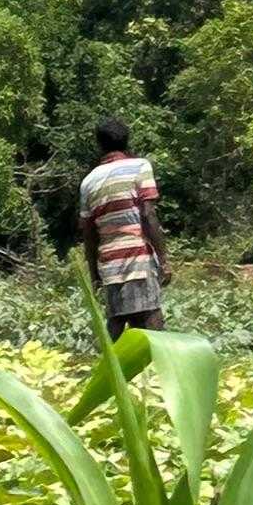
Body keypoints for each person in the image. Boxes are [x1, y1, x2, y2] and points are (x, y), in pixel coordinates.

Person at [78, 117, 167, 339]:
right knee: (152, 325)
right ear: (126, 140)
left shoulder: (88, 182)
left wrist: (94, 275)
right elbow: (147, 214)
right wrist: (164, 260)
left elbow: (89, 235)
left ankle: (107, 360)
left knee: (117, 321)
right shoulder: (140, 167)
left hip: (110, 265)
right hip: (138, 258)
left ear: (100, 144)